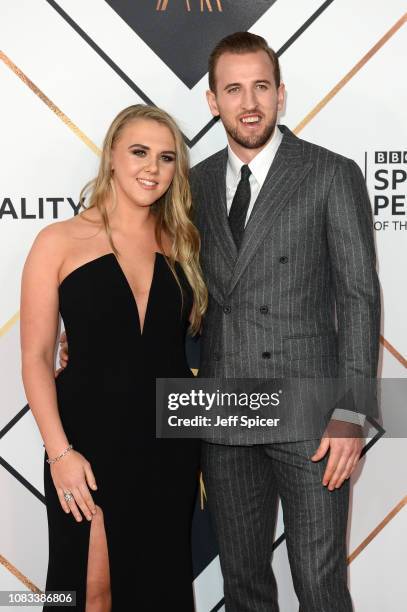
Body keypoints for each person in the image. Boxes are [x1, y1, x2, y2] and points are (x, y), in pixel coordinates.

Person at [190, 32, 380, 611]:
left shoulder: (329, 173)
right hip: (224, 410)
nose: (249, 103)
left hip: (312, 411)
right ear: (212, 101)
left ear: (280, 95)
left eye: (261, 88)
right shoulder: (192, 184)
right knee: (243, 585)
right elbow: (172, 287)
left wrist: (351, 411)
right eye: (234, 89)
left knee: (319, 585)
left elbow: (357, 297)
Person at [21, 104, 207, 611]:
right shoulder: (58, 241)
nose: (153, 168)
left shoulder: (184, 244)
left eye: (167, 158)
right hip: (86, 441)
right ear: (111, 157)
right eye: (140, 152)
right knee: (88, 590)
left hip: (168, 445)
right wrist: (60, 454)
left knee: (159, 588)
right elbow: (37, 357)